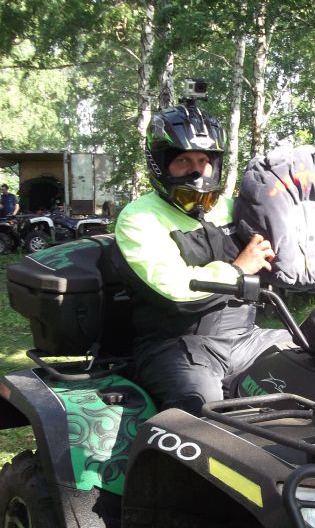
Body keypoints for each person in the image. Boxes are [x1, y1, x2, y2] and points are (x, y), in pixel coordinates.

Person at [113, 100, 288, 415]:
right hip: (175, 346)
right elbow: (174, 291)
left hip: (246, 339)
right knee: (202, 405)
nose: (196, 171)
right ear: (160, 164)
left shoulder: (232, 209)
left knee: (312, 359)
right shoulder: (139, 218)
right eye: (183, 160)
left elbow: (291, 228)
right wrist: (237, 270)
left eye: (203, 160)